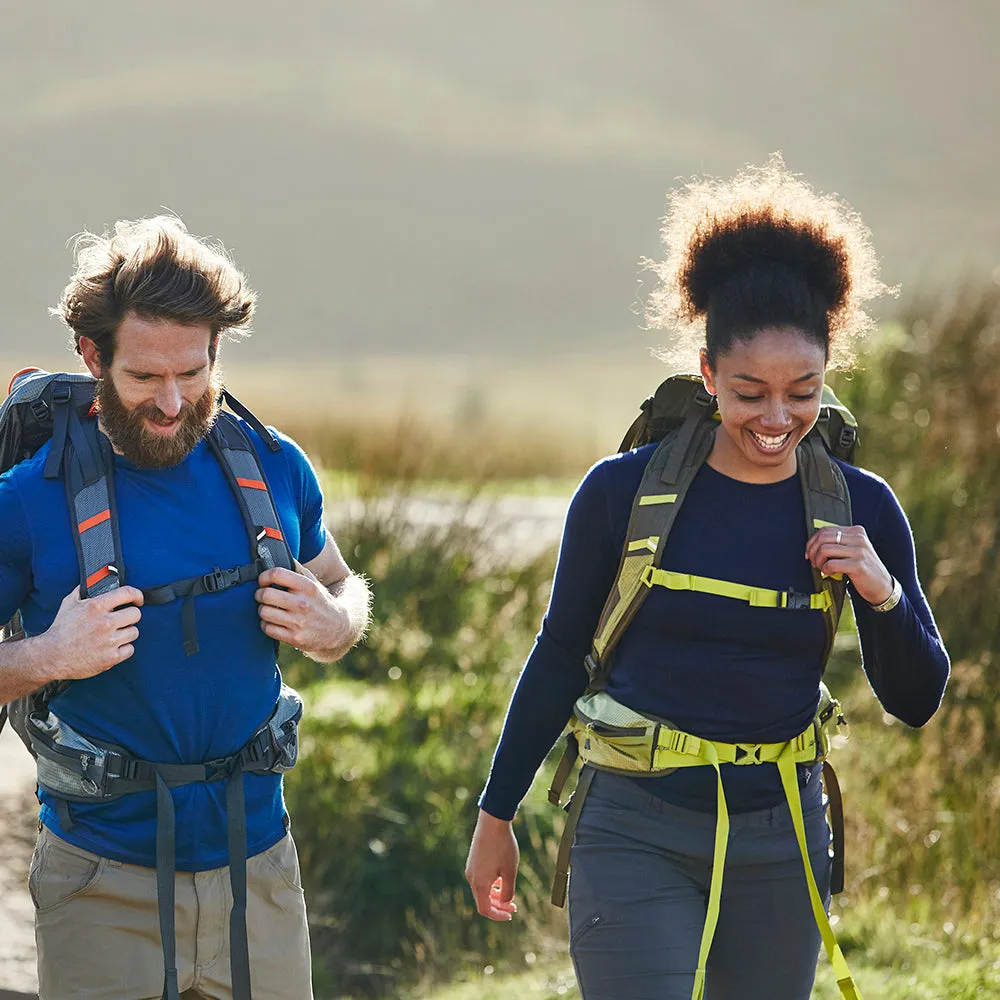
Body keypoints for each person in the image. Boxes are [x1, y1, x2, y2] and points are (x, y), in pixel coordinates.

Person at [465, 157, 950, 1000]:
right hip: (631, 829)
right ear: (705, 374)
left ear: (829, 371)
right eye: (748, 391)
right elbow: (557, 659)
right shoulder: (620, 492)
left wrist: (882, 591)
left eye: (802, 391)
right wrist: (496, 814)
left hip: (784, 836)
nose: (776, 418)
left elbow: (917, 698)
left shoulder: (859, 506)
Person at [0, 216, 371, 1000]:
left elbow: (342, 581)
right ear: (93, 357)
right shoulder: (29, 499)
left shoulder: (272, 466)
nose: (172, 403)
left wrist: (338, 623)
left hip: (260, 873)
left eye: (193, 373)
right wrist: (47, 656)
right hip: (100, 885)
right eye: (144, 379)